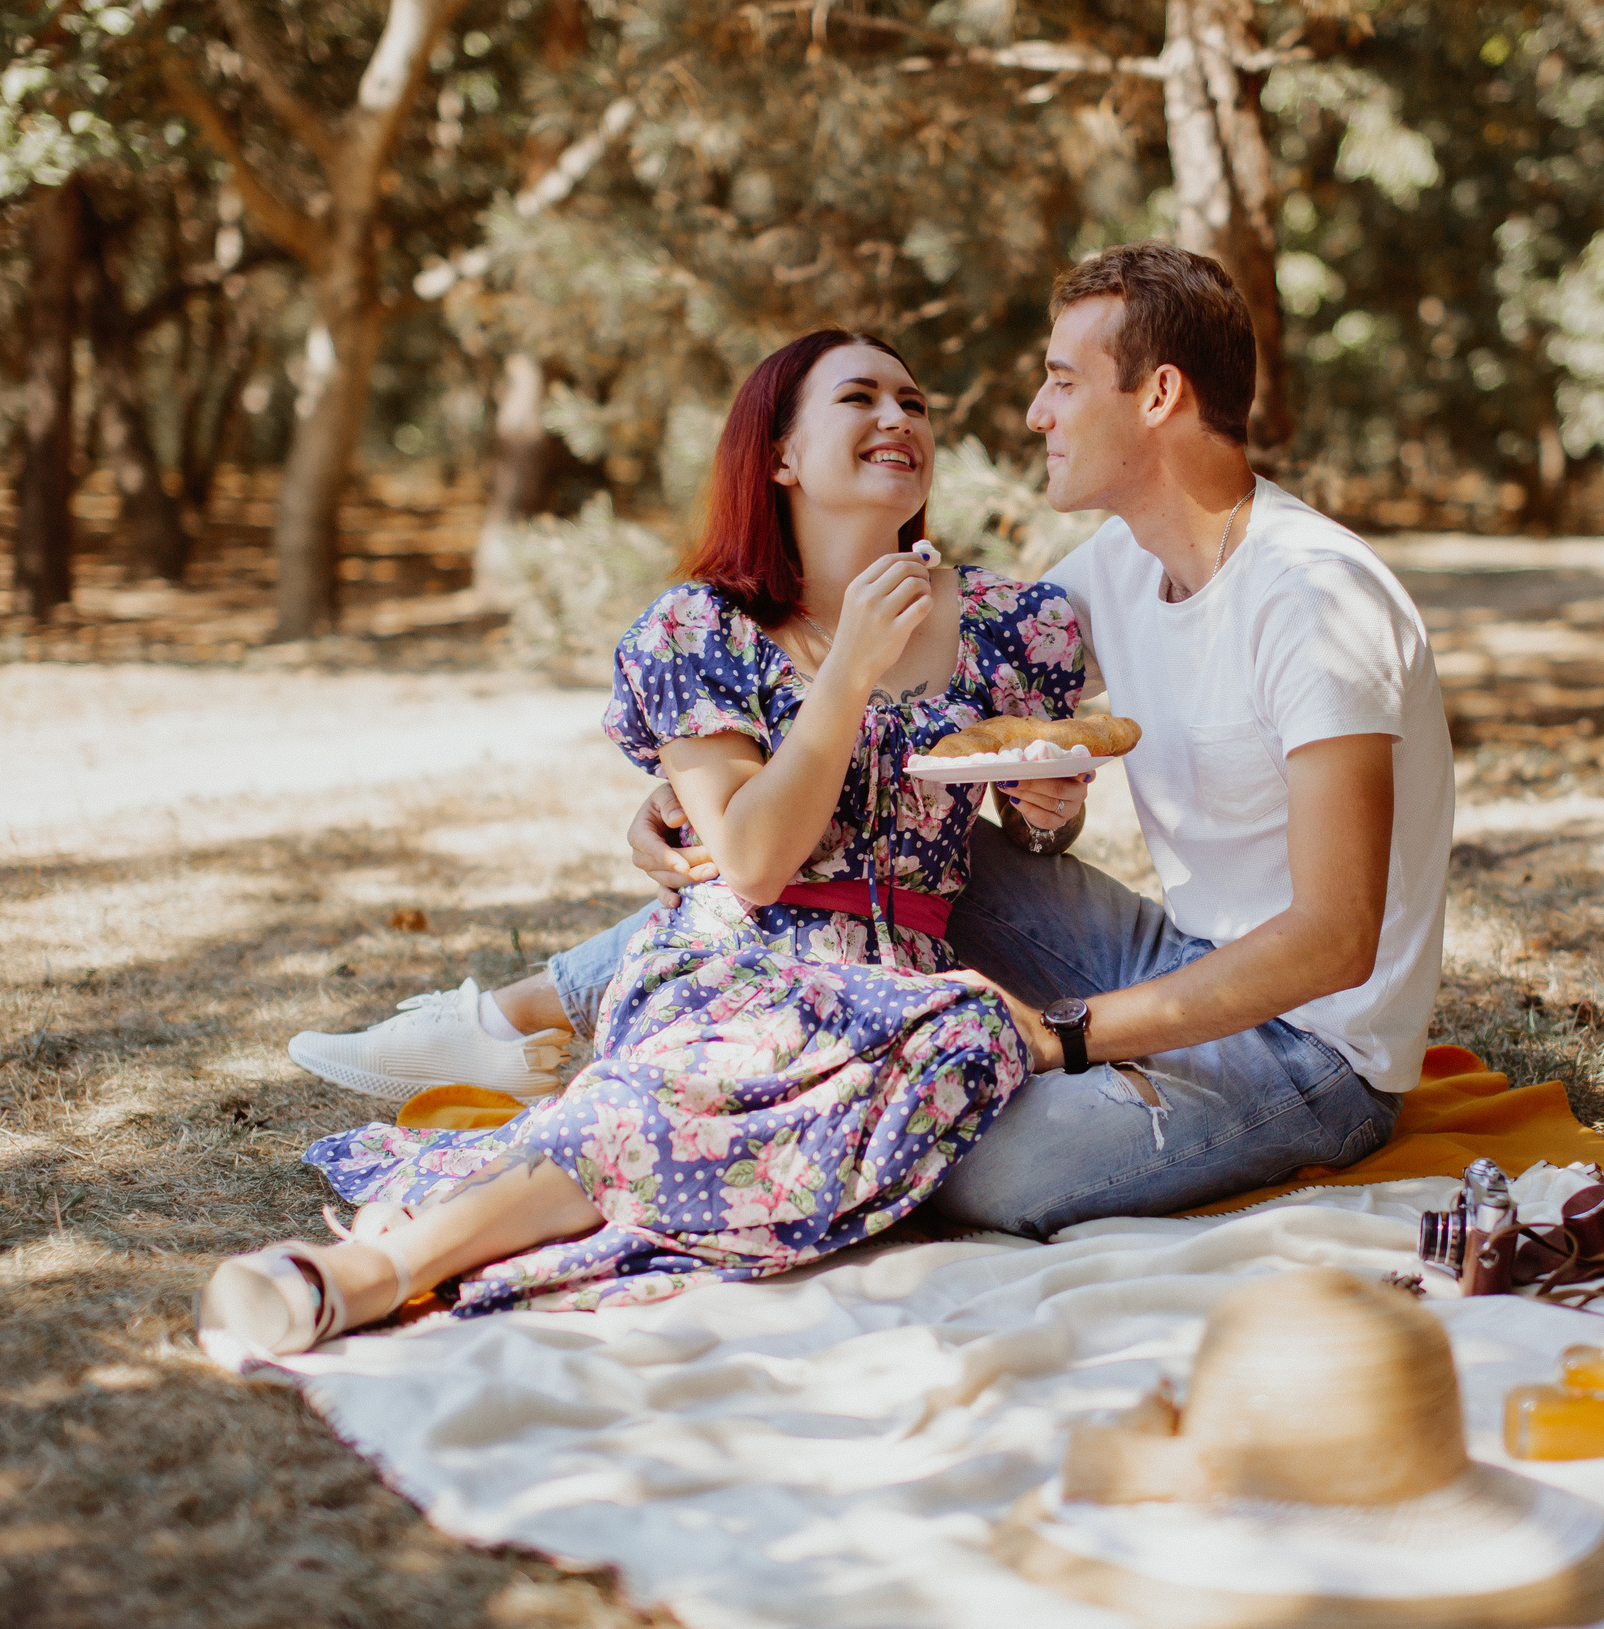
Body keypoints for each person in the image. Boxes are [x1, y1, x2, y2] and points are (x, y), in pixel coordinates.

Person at [288, 240, 1454, 1240]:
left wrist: (1062, 1037)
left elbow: (1335, 939)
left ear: (1155, 397)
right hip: (1172, 951)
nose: (1036, 412)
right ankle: (513, 1018)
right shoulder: (1114, 571)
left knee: (954, 1158)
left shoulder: (1311, 598)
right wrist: (686, 793)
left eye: (1059, 382)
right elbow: (966, 727)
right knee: (874, 826)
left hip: (1310, 1051)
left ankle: (598, 1061)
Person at [200, 329, 1090, 1352]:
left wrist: (1049, 810)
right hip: (732, 967)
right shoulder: (700, 631)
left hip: (906, 995)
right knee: (682, 1090)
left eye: (914, 400)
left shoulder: (1014, 625)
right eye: (860, 399)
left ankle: (508, 1203)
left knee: (974, 1032)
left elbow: (1029, 810)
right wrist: (845, 673)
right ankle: (381, 1269)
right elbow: (753, 863)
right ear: (781, 455)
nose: (899, 419)